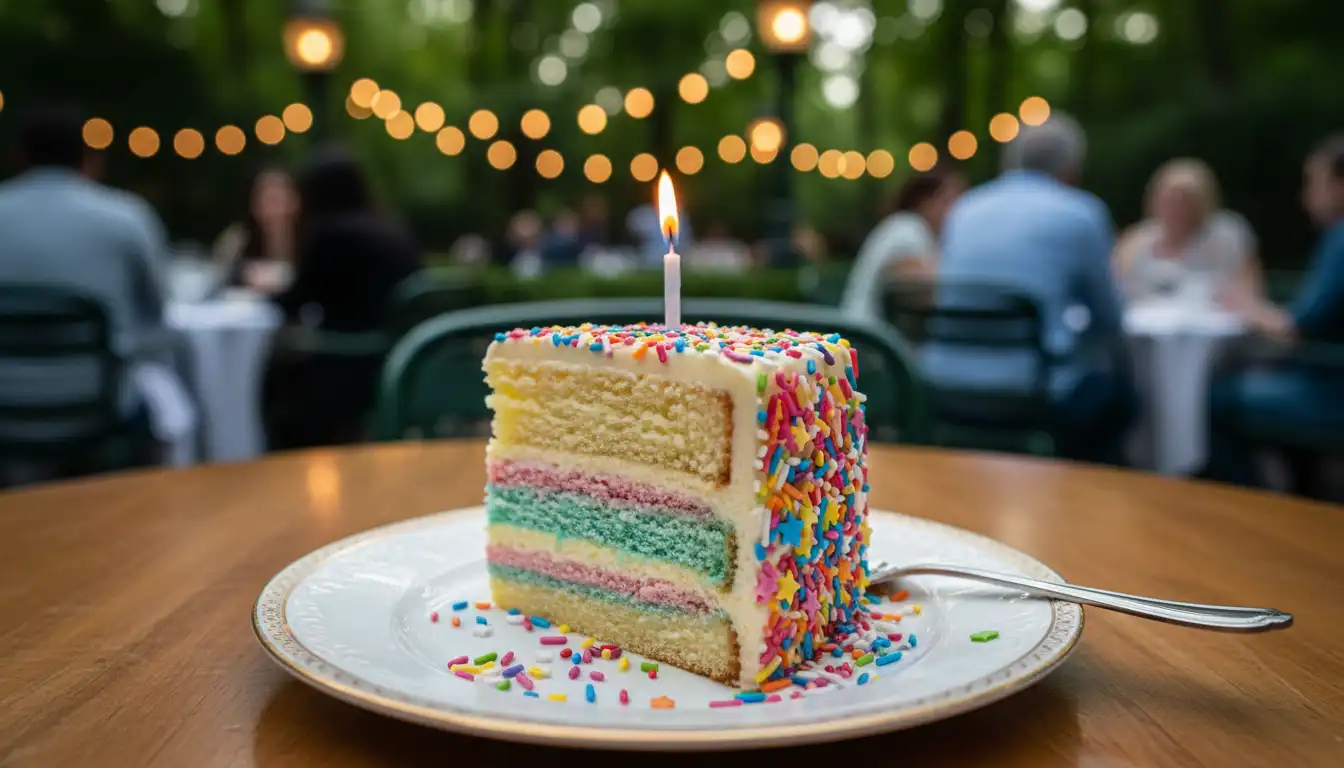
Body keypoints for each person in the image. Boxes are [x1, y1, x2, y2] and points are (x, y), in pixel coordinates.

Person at [921, 113, 1134, 465]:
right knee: (1122, 397)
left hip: (942, 381)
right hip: (1032, 391)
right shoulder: (1082, 213)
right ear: (1070, 169)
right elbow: (1110, 320)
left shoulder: (964, 208)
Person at [0, 103, 170, 442]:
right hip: (100, 409)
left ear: (20, 155)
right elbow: (157, 313)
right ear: (89, 157)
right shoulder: (127, 218)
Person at [1205, 136, 1344, 492]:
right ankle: (1307, 492)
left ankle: (1255, 504)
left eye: (1314, 182)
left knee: (1217, 399)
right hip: (1326, 375)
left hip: (1330, 386)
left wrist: (1248, 307)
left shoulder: (1341, 237)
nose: (1305, 196)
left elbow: (1299, 326)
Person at [264, 147, 422, 450]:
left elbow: (295, 302)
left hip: (347, 365)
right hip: (397, 360)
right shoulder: (392, 228)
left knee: (274, 379)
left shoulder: (329, 236)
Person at [1114, 159, 1262, 304]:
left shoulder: (1227, 235)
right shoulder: (1135, 240)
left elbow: (1248, 290)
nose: (1177, 207)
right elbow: (1117, 288)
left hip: (1214, 321)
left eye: (1186, 199)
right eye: (1170, 199)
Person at [841, 169, 966, 320]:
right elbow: (924, 292)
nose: (959, 210)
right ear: (926, 202)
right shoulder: (907, 229)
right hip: (870, 339)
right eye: (950, 200)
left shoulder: (908, 228)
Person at [212, 167, 299, 295]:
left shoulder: (309, 238)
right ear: (255, 205)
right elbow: (217, 277)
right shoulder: (238, 238)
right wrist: (245, 274)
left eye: (282, 198)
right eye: (270, 199)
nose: (278, 208)